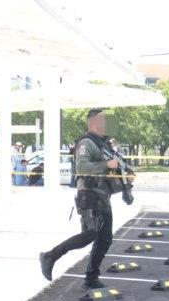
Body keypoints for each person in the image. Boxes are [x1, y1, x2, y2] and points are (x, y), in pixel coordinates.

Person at [39, 109, 133, 289]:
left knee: (104, 239)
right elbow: (82, 166)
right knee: (89, 234)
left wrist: (125, 185)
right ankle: (50, 256)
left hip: (103, 196)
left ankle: (91, 278)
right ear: (94, 122)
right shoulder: (86, 143)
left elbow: (117, 170)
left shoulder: (105, 145)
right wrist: (107, 164)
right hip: (89, 195)